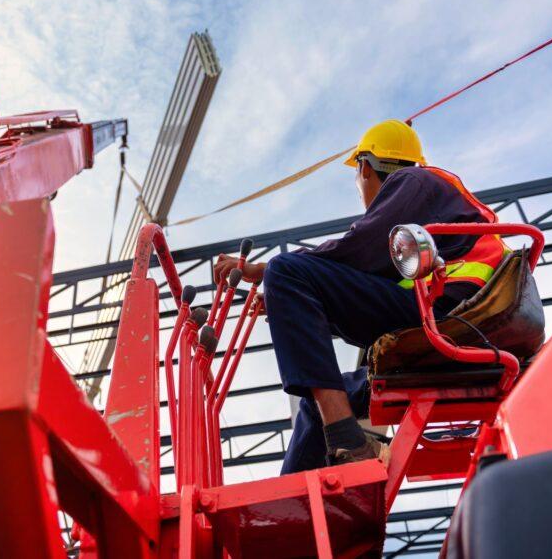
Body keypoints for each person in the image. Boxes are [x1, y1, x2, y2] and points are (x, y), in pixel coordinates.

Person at [213, 120, 507, 472]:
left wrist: (270, 273)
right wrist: (290, 302)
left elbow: (359, 248)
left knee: (286, 269)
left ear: (366, 166)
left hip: (449, 315)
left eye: (358, 176)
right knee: (313, 406)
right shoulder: (429, 206)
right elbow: (361, 286)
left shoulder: (412, 181)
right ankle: (288, 515)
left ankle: (345, 436)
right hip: (445, 320)